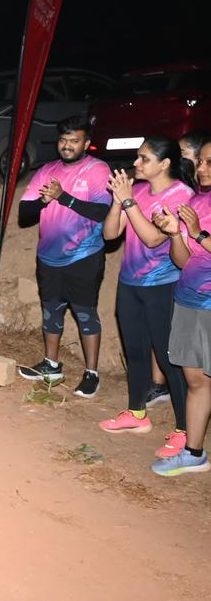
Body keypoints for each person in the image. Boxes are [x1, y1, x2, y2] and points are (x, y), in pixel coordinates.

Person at [99, 138, 195, 456]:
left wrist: (129, 203)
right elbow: (110, 234)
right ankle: (136, 413)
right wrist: (119, 200)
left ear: (165, 164)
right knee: (136, 351)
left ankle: (184, 429)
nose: (136, 163)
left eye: (144, 159)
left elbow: (154, 238)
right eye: (138, 158)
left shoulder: (181, 194)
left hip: (163, 285)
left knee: (170, 360)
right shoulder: (136, 192)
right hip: (130, 283)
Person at [17, 117, 112, 397]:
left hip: (84, 255)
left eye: (73, 141)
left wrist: (63, 197)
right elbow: (25, 213)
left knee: (85, 313)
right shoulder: (47, 170)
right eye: (63, 140)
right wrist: (42, 201)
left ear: (86, 143)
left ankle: (91, 372)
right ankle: (51, 364)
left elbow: (101, 213)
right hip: (48, 256)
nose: (67, 146)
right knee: (51, 311)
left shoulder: (97, 170)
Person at [152, 140, 211, 475]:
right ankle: (194, 452)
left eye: (208, 163)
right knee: (196, 380)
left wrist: (196, 233)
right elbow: (184, 261)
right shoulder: (197, 201)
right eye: (200, 162)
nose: (201, 169)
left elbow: (201, 240)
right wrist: (176, 234)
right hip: (188, 300)